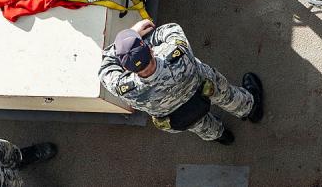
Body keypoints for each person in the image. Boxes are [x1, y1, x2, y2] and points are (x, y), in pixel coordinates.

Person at [99, 19, 264, 144]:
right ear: (150, 49)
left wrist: (128, 45)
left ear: (125, 68)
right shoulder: (176, 51)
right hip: (204, 88)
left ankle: (221, 136)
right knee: (226, 96)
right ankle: (250, 109)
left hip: (178, 115)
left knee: (197, 123)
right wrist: (136, 34)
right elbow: (170, 29)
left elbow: (105, 67)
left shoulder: (124, 88)